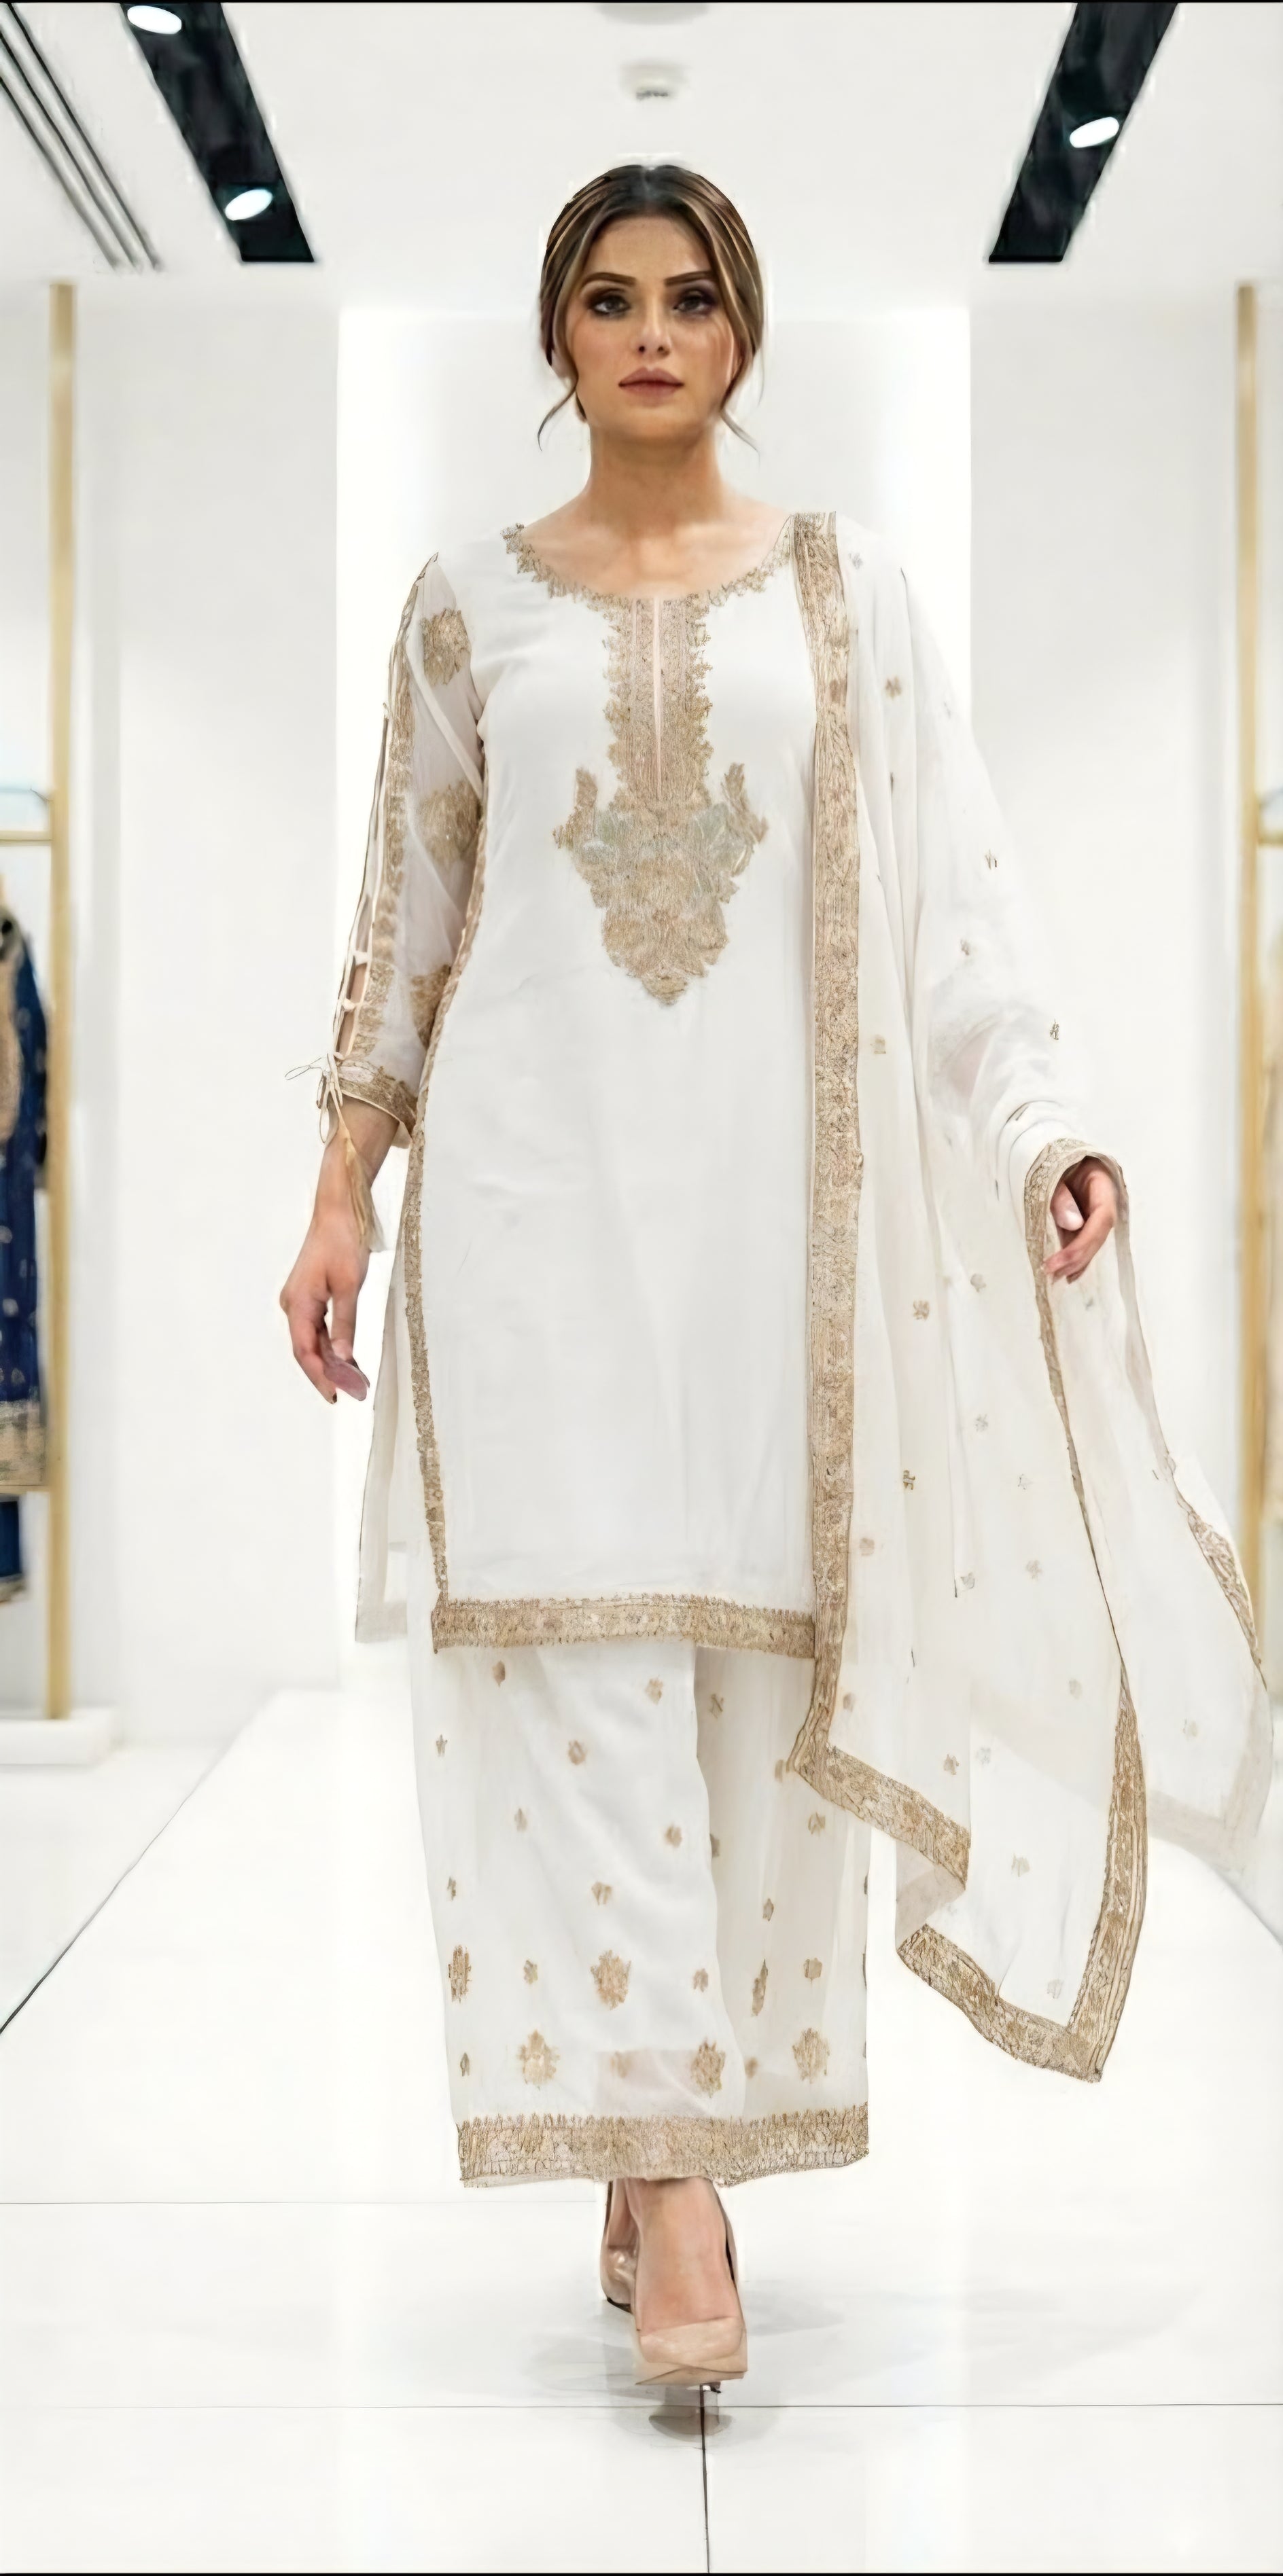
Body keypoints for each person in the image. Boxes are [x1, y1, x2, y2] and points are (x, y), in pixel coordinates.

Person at [281, 163, 1271, 2391]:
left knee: (745, 1701)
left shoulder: (851, 598)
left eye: (692, 296)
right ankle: (678, 2190)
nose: (652, 331)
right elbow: (403, 929)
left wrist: (1042, 1122)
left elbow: (957, 912)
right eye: (609, 297)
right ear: (558, 337)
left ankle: (661, 2142)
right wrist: (343, 1191)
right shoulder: (465, 608)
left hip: (778, 1250)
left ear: (743, 333)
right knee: (578, 1674)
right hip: (529, 1225)